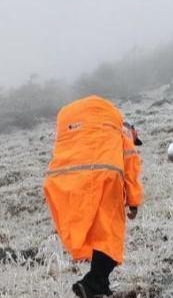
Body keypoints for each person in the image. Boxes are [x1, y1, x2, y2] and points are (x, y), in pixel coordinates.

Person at [43, 96, 143, 297]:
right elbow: (130, 166)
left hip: (66, 180)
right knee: (111, 237)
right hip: (103, 178)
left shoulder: (92, 131)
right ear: (133, 130)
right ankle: (91, 284)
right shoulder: (122, 132)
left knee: (99, 235)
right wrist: (133, 202)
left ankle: (101, 287)